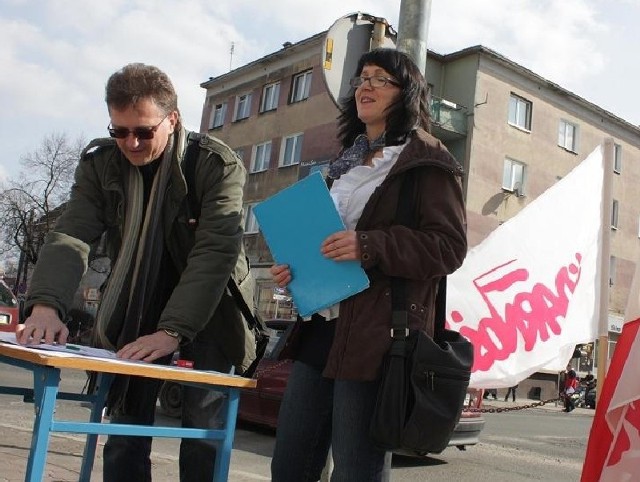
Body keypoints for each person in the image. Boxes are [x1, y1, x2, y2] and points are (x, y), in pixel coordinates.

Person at [15, 63, 254, 481]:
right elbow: (72, 235)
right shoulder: (101, 164)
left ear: (173, 119)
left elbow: (215, 253)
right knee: (124, 432)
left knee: (204, 437)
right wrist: (46, 306)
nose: (131, 142)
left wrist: (173, 330)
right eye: (119, 131)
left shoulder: (216, 165)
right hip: (135, 302)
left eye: (143, 131)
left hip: (213, 310)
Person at [270, 48, 467, 481]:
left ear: (407, 92)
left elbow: (448, 247)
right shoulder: (345, 162)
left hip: (377, 339)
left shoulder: (428, 161)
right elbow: (326, 242)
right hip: (320, 328)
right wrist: (294, 270)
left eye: (380, 79)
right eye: (362, 79)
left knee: (356, 469)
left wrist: (369, 245)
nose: (366, 87)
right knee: (290, 463)